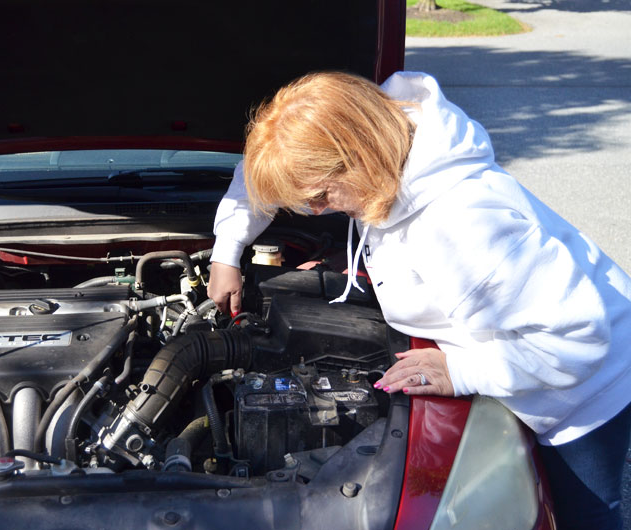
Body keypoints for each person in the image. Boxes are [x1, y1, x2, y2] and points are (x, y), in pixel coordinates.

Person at [207, 71, 631, 529]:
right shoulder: (384, 122)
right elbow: (271, 159)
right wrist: (227, 250)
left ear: (356, 155)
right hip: (540, 352)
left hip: (586, 396)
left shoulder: (458, 225)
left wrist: (462, 371)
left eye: (320, 196)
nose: (315, 212)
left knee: (588, 515)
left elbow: (580, 337)